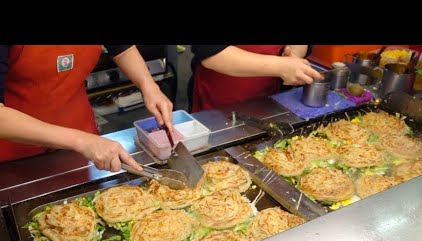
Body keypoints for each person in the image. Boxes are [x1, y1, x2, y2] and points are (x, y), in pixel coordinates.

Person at [0, 45, 173, 172]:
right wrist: (81, 141)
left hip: (79, 139)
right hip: (15, 149)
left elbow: (122, 48)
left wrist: (149, 86)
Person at [189, 45, 323, 112]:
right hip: (219, 100)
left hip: (269, 98)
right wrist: (280, 66)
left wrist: (293, 54)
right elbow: (211, 54)